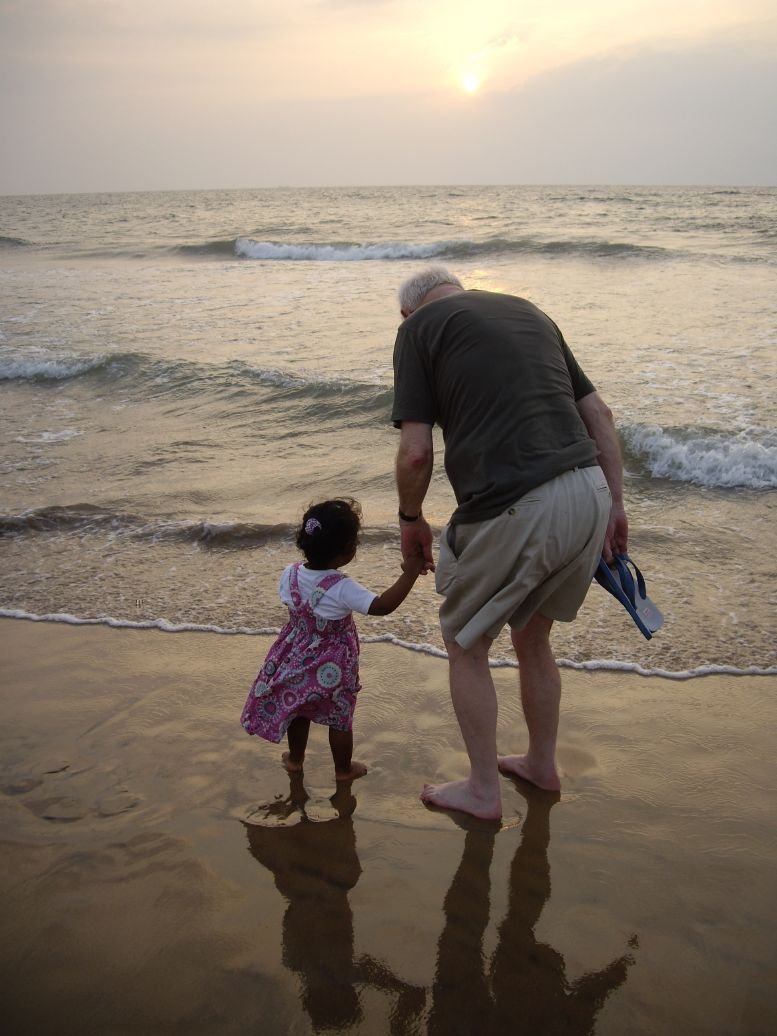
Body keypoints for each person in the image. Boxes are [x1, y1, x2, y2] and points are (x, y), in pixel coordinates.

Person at [392, 266, 628, 818]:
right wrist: (615, 504)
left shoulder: (418, 330)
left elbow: (416, 451)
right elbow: (599, 414)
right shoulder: (529, 312)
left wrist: (410, 519)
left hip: (519, 500)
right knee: (533, 637)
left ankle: (481, 790)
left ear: (408, 312)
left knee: (465, 645)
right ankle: (541, 766)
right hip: (588, 490)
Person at [240, 498, 425, 781]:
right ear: (347, 551)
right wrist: (410, 573)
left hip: (294, 652)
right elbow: (381, 606)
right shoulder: (341, 587)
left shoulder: (290, 574)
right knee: (340, 716)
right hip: (334, 663)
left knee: (297, 707)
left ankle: (295, 760)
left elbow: (290, 602)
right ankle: (343, 769)